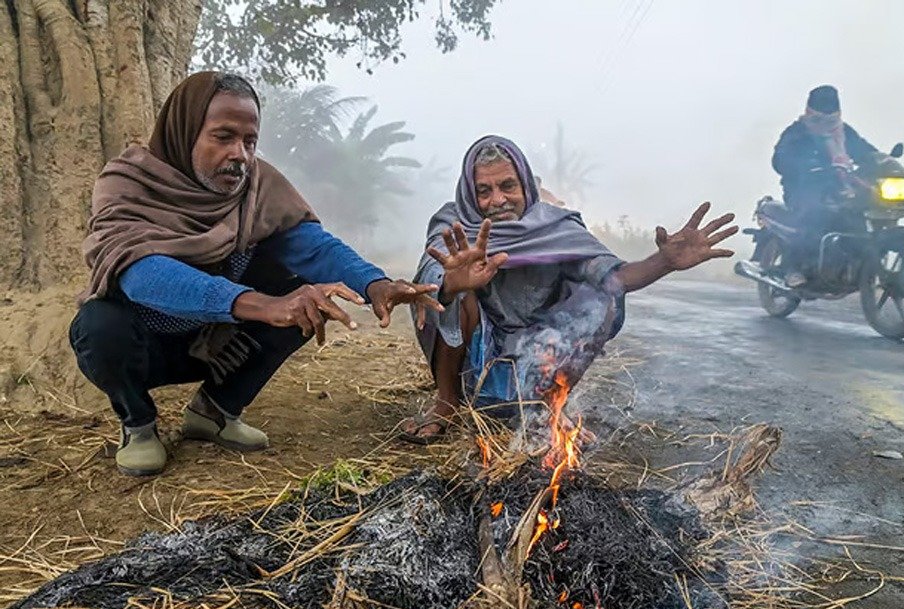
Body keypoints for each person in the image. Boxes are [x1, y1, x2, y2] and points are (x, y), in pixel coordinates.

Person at [70, 71, 440, 476]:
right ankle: (138, 425)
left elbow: (311, 246)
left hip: (218, 345)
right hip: (143, 347)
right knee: (97, 326)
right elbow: (141, 273)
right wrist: (262, 305)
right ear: (186, 130)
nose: (240, 155)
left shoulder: (258, 188)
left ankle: (214, 411)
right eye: (223, 137)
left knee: (305, 295)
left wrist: (375, 283)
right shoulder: (127, 183)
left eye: (250, 141)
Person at [399, 135, 737, 443]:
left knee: (602, 301)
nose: (497, 200)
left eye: (507, 186)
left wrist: (663, 262)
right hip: (474, 352)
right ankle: (447, 404)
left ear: (525, 187)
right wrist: (453, 283)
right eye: (483, 191)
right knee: (451, 297)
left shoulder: (556, 224)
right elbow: (428, 279)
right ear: (469, 194)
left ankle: (548, 410)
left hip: (540, 351)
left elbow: (612, 278)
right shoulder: (453, 224)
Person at [771, 85, 878, 286]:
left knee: (863, 212)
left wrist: (885, 163)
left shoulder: (845, 133)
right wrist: (805, 167)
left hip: (841, 188)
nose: (825, 124)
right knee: (813, 214)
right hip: (803, 189)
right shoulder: (797, 133)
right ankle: (792, 268)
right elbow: (780, 159)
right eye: (818, 119)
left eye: (830, 119)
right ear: (809, 113)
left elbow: (865, 151)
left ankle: (858, 264)